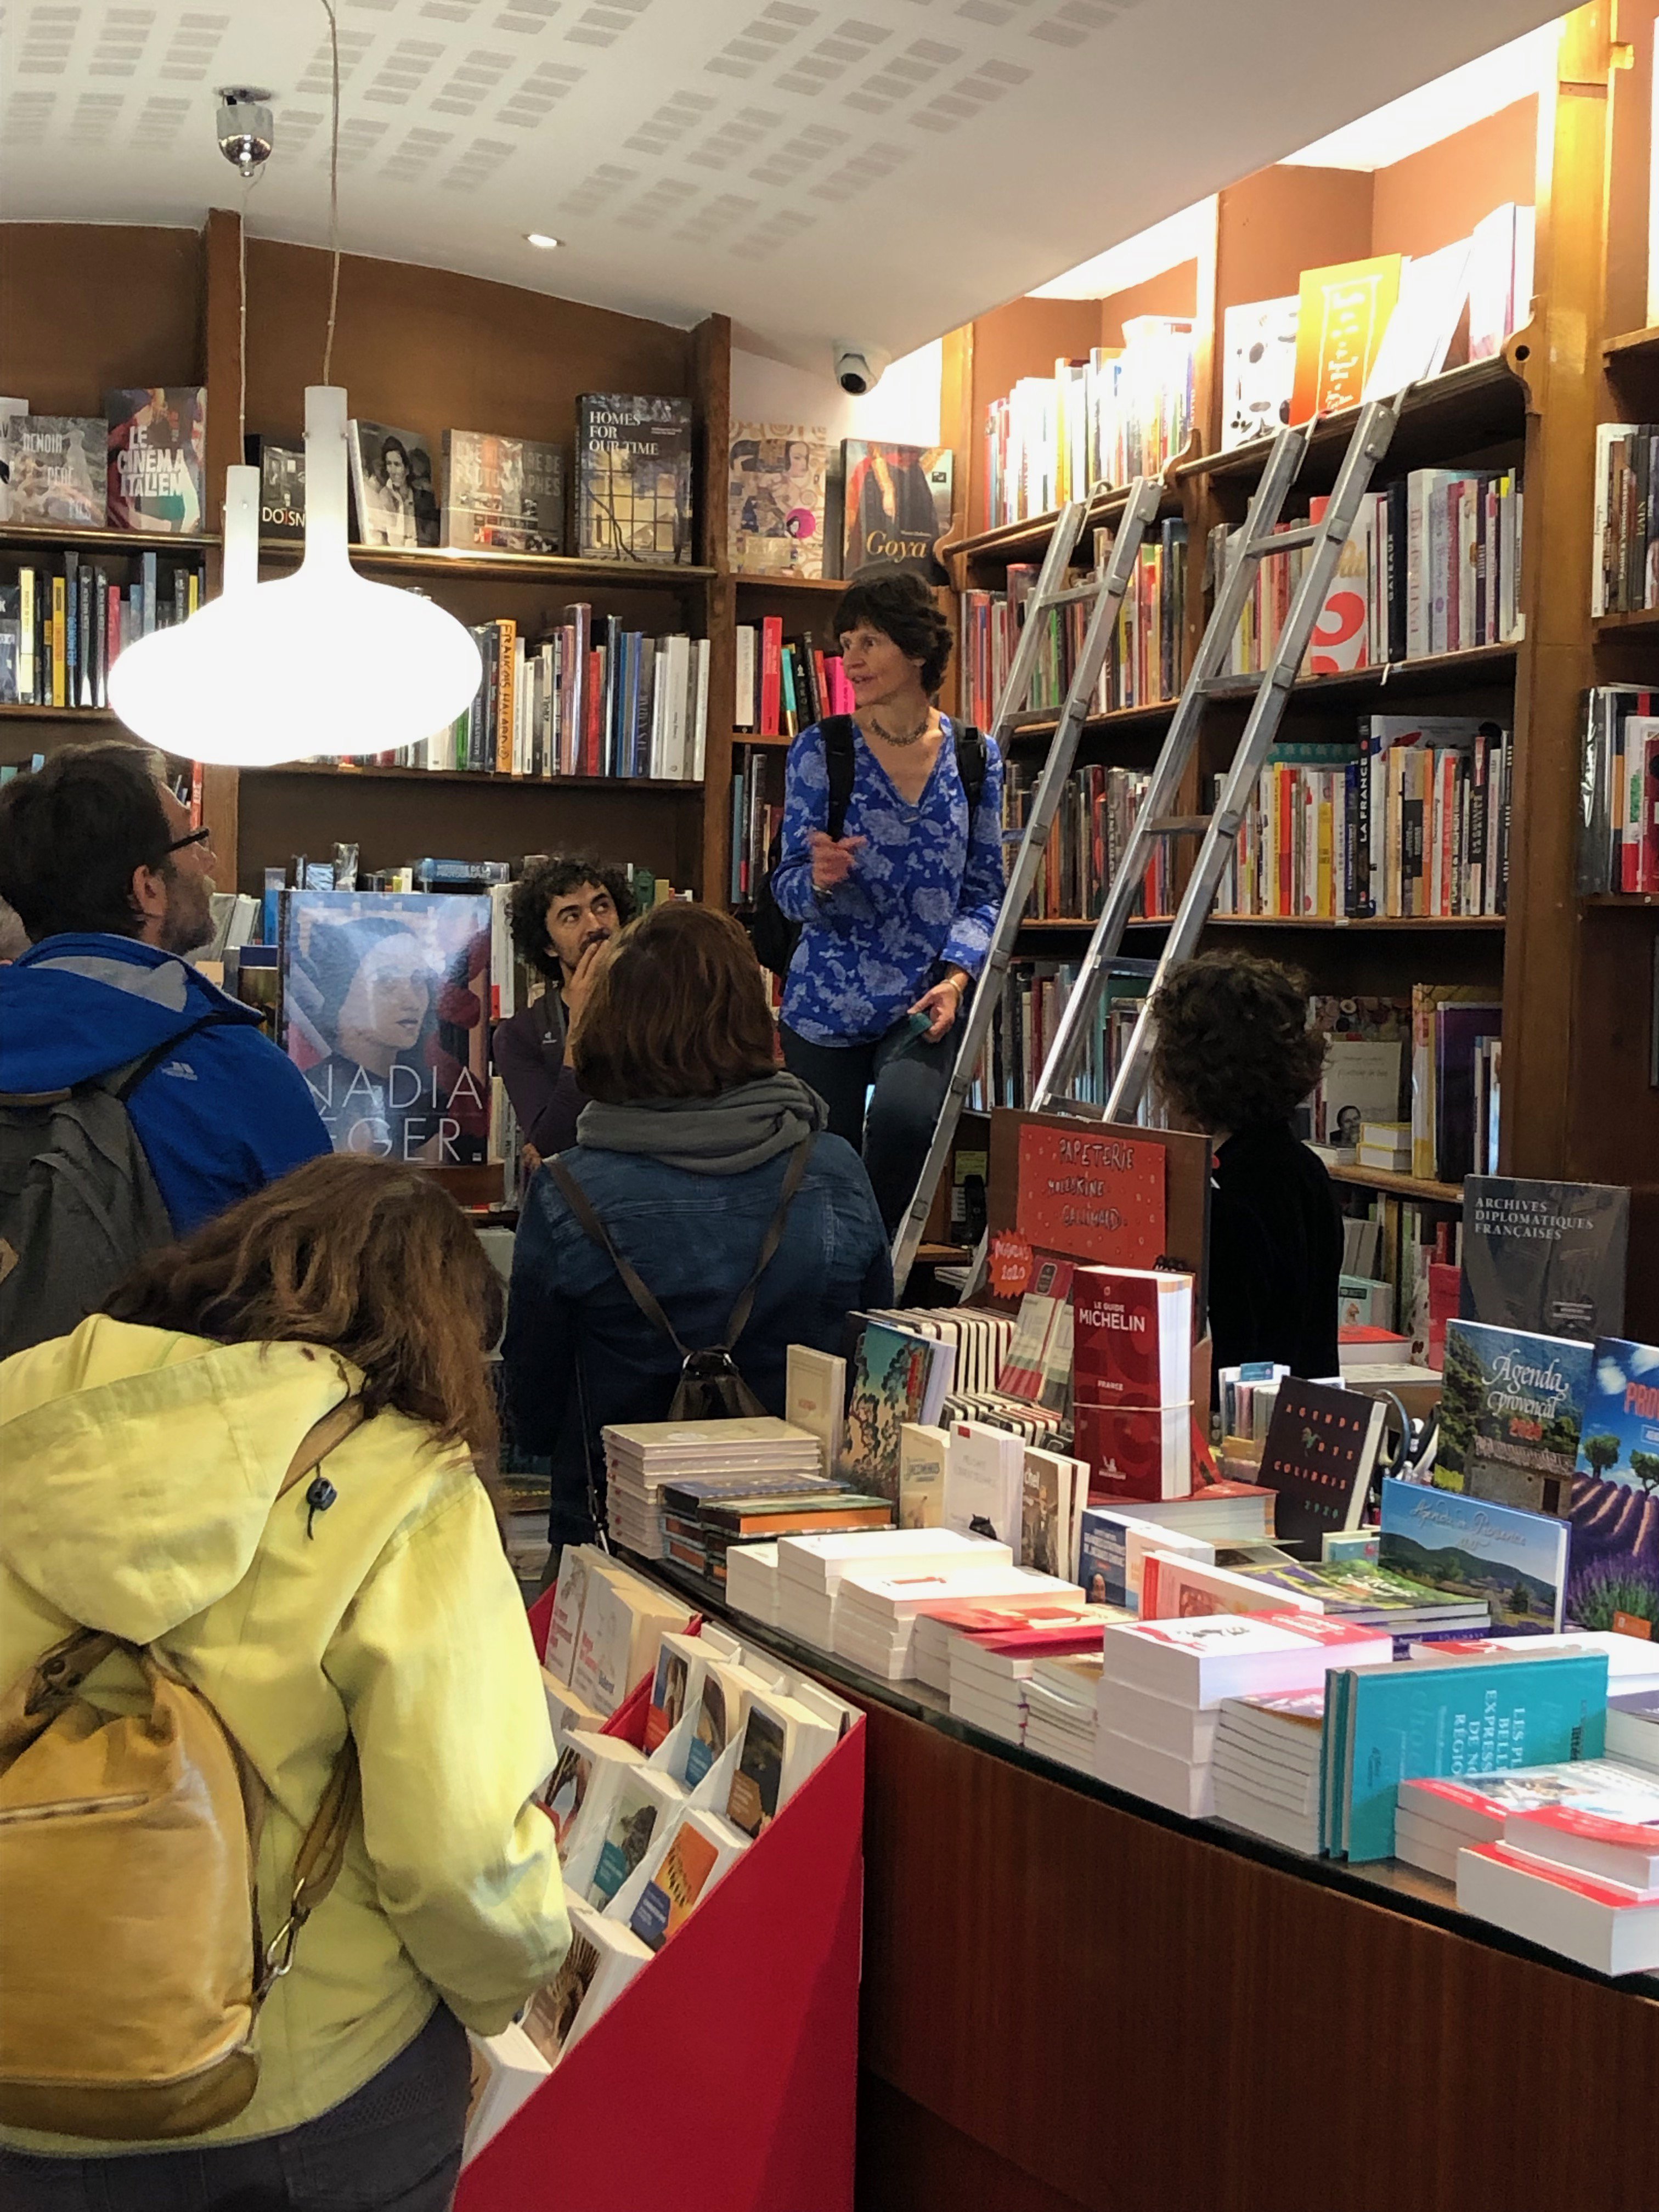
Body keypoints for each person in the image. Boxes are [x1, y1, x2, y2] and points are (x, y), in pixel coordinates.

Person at [0, 1154, 568, 2209]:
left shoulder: (23, 1398)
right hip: (297, 2077)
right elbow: (456, 1854)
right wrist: (517, 1988)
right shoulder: (405, 1488)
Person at [504, 902, 891, 1548]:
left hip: (617, 1542)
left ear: (611, 1021)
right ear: (752, 1018)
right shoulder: (832, 1168)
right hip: (803, 1540)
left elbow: (534, 1415)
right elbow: (875, 1382)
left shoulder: (568, 1189)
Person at [0, 743, 330, 1234]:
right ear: (147, 889)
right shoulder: (234, 1067)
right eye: (193, 840)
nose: (210, 859)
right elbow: (331, 1269)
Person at [769, 569, 1005, 1234]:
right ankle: (836, 1285)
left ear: (918, 651)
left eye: (870, 641)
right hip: (825, 1003)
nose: (851, 659)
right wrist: (818, 876)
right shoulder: (823, 749)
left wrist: (958, 978)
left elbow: (986, 893)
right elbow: (787, 891)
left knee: (905, 1121)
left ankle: (871, 1263)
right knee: (823, 1167)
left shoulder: (972, 756)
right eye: (846, 642)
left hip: (923, 998)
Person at [1147, 950, 1342, 1381]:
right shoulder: (1308, 1169)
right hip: (1305, 1415)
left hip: (1240, 1430)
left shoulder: (1220, 1194)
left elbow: (1228, 1351)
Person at [493, 856, 636, 1165]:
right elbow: (554, 1143)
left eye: (602, 907)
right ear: (549, 945)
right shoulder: (520, 1035)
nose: (596, 926)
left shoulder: (662, 1007)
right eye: (572, 917)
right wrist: (581, 1025)